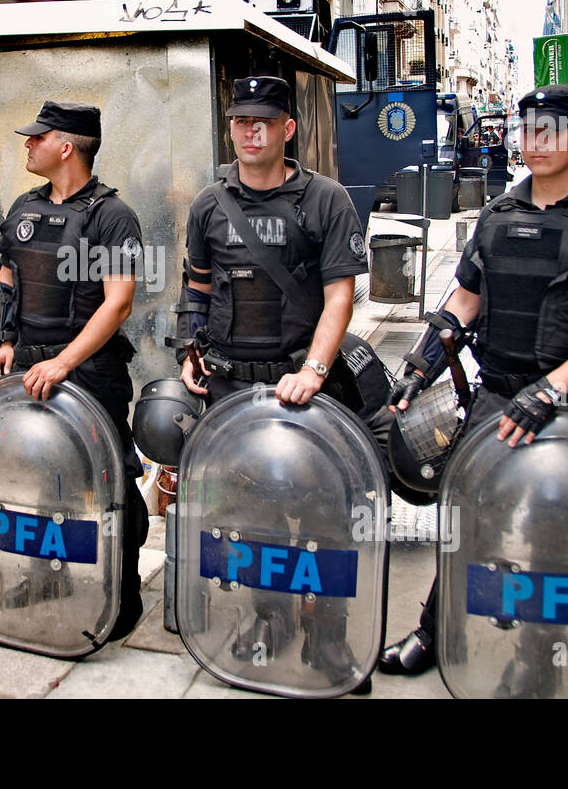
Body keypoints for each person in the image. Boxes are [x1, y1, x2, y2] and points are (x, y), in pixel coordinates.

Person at [380, 83, 568, 676]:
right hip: (498, 397)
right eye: (528, 130)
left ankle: (539, 656)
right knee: (470, 521)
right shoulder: (498, 214)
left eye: (553, 129)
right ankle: (436, 632)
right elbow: (466, 300)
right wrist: (421, 365)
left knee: (557, 536)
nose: (537, 142)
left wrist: (553, 388)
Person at [172, 75, 373, 692]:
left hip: (307, 392)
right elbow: (196, 286)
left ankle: (329, 638)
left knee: (325, 518)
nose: (250, 131)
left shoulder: (326, 200)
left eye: (263, 121)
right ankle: (269, 622)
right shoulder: (209, 204)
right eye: (240, 122)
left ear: (288, 129)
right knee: (249, 517)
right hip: (233, 391)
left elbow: (341, 294)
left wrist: (313, 371)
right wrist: (189, 346)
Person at [0, 100, 149, 641]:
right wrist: (7, 341)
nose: (27, 145)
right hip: (31, 369)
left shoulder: (111, 215)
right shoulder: (23, 208)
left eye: (37, 138)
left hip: (89, 372)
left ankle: (123, 596)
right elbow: (9, 280)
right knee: (37, 479)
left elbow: (118, 302)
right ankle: (44, 579)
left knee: (107, 479)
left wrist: (64, 361)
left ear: (66, 146)